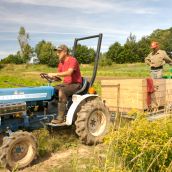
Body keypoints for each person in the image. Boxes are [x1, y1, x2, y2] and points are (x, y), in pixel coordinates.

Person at [48, 44, 82, 124]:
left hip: (75, 84)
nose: (57, 54)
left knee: (62, 91)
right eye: (57, 52)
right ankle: (50, 112)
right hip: (66, 84)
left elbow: (69, 73)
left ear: (65, 52)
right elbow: (59, 76)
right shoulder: (61, 63)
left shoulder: (72, 60)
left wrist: (55, 74)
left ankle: (60, 118)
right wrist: (52, 77)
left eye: (59, 52)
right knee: (51, 90)